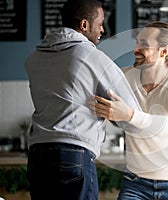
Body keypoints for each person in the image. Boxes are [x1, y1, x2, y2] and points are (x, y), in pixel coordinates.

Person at [25, 0, 141, 199]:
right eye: (100, 23)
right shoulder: (92, 57)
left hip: (38, 156)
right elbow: (130, 113)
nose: (103, 30)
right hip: (74, 154)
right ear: (84, 25)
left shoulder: (34, 58)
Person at [90, 21, 168, 199]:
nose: (135, 49)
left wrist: (130, 115)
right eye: (137, 42)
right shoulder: (123, 76)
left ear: (164, 51)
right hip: (135, 182)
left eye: (144, 44)